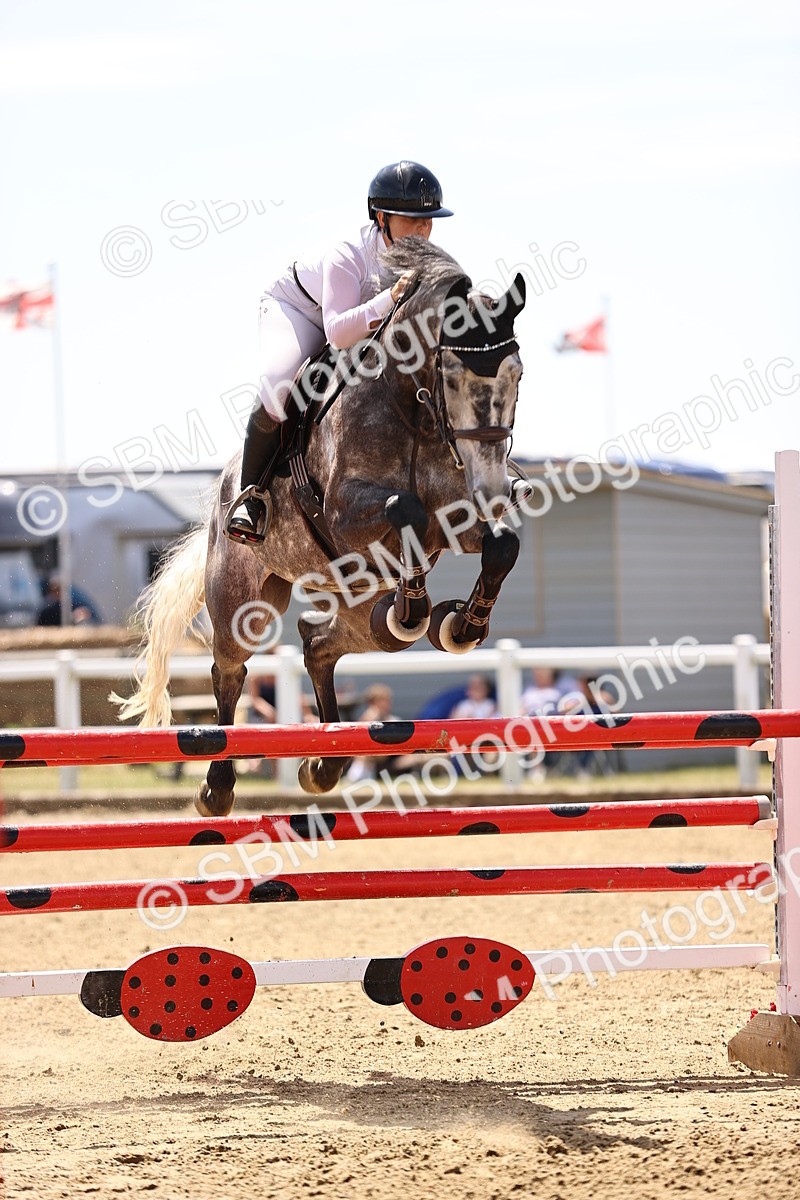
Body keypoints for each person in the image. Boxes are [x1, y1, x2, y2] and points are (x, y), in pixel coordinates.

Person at [226, 160, 454, 543]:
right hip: (300, 313)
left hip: (355, 324)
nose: (423, 230)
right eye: (412, 220)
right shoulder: (348, 254)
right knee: (279, 387)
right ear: (381, 218)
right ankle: (250, 496)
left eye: (428, 221)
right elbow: (335, 334)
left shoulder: (425, 260)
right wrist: (390, 298)